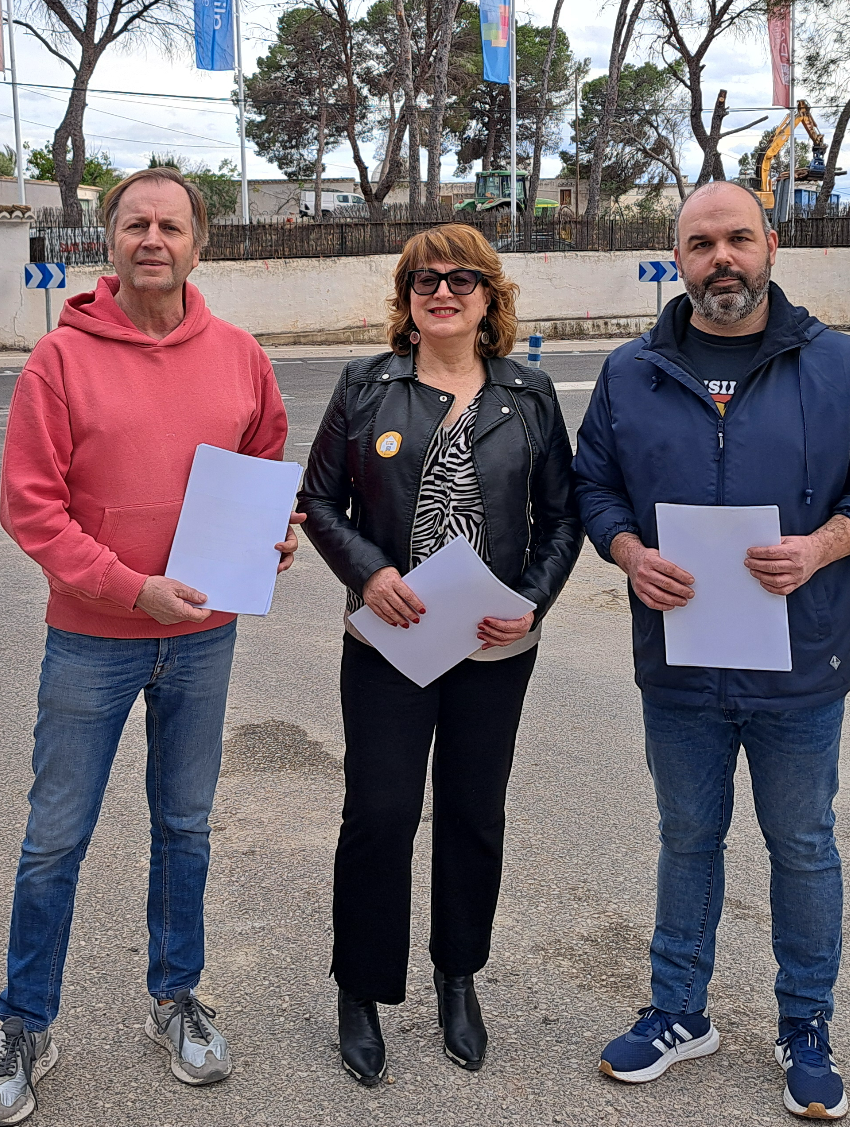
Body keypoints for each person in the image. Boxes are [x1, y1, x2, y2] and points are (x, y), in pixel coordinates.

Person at [573, 182, 850, 1120]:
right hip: (679, 663)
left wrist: (824, 544)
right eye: (699, 244)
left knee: (801, 846)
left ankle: (805, 1023)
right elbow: (592, 487)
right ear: (675, 259)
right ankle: (678, 1013)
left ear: (770, 244)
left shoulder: (842, 366)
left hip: (800, 665)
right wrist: (628, 552)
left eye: (736, 239)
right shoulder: (630, 372)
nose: (719, 258)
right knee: (687, 840)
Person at [0, 167, 300, 1125]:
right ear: (106, 241)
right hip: (92, 640)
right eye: (133, 225)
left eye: (170, 225)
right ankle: (26, 1024)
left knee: (184, 828)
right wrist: (130, 590)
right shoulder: (59, 363)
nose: (151, 239)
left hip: (203, 640)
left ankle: (176, 1000)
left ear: (199, 244)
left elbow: (263, 470)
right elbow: (28, 509)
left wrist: (271, 538)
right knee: (54, 840)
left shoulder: (240, 357)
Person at [298, 223, 582, 1086]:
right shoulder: (365, 386)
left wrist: (531, 599)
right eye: (424, 279)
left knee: (472, 813)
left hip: (493, 648)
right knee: (379, 814)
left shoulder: (528, 395)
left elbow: (563, 517)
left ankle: (458, 978)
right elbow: (318, 499)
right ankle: (361, 989)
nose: (442, 291)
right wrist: (368, 570)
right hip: (389, 639)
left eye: (462, 278)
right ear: (406, 298)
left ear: (489, 295)